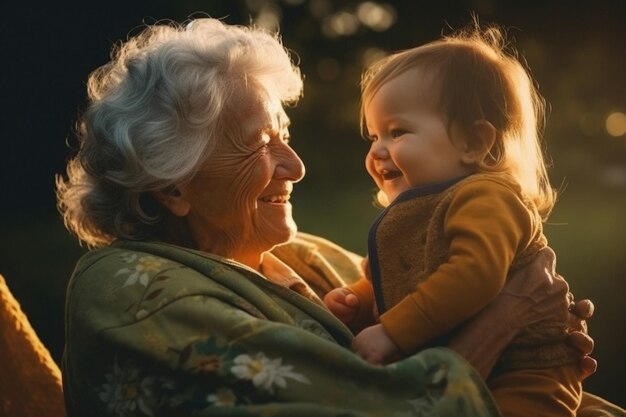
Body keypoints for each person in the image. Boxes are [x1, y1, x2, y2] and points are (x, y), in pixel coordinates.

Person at [55, 17, 615, 417]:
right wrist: (505, 320)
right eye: (259, 145)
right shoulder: (134, 297)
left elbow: (444, 290)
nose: (296, 167)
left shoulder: (304, 256)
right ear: (174, 185)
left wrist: (542, 330)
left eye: (287, 138)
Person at [322, 23, 595, 417]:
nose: (378, 150)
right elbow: (412, 278)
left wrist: (393, 332)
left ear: (473, 142)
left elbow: (473, 275)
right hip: (475, 365)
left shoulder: (486, 197)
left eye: (397, 132)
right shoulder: (425, 208)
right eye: (373, 136)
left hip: (524, 373)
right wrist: (360, 299)